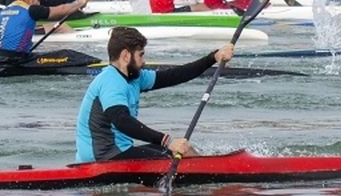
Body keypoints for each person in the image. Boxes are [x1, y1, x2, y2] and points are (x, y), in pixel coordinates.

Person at [75, 26, 234, 162]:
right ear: (125, 55)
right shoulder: (111, 81)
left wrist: (213, 57)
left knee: (184, 151)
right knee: (173, 155)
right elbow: (122, 121)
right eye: (141, 54)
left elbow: (175, 75)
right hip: (102, 157)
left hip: (119, 152)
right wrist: (167, 141)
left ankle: (212, 173)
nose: (143, 61)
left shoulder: (135, 78)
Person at [0, 0, 90, 66]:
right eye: (38, 0)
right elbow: (61, 10)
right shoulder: (31, 10)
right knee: (68, 55)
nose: (39, 3)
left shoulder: (4, 11)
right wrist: (80, 3)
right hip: (16, 60)